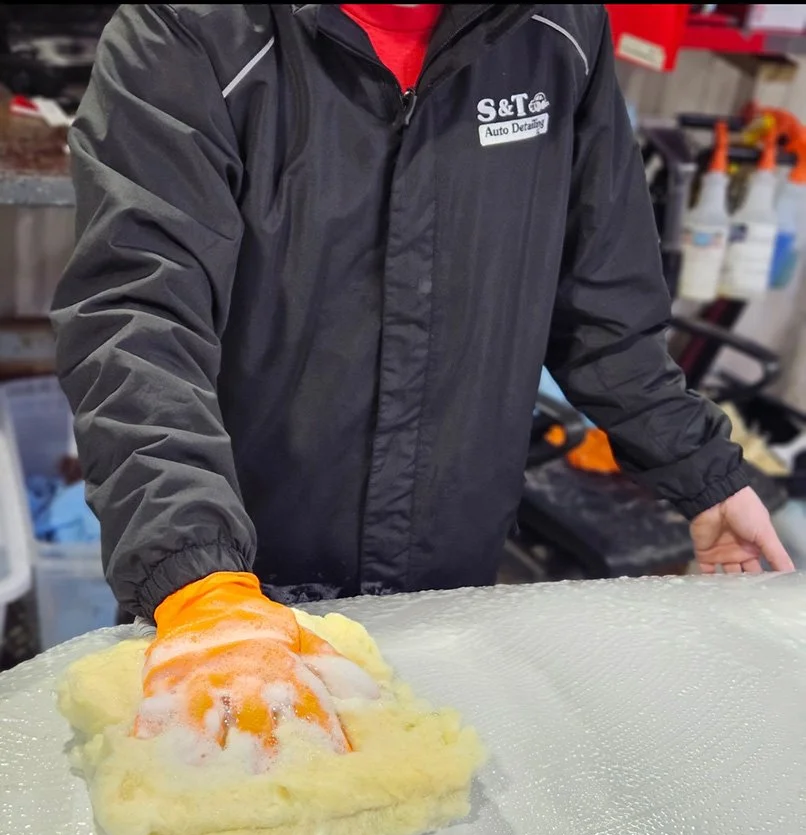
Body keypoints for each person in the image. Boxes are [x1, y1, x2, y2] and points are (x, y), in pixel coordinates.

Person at [52, 4, 793, 744]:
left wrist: (705, 474)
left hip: (452, 588)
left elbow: (601, 307)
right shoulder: (189, 30)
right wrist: (198, 576)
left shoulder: (557, 29)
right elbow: (139, 322)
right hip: (238, 589)